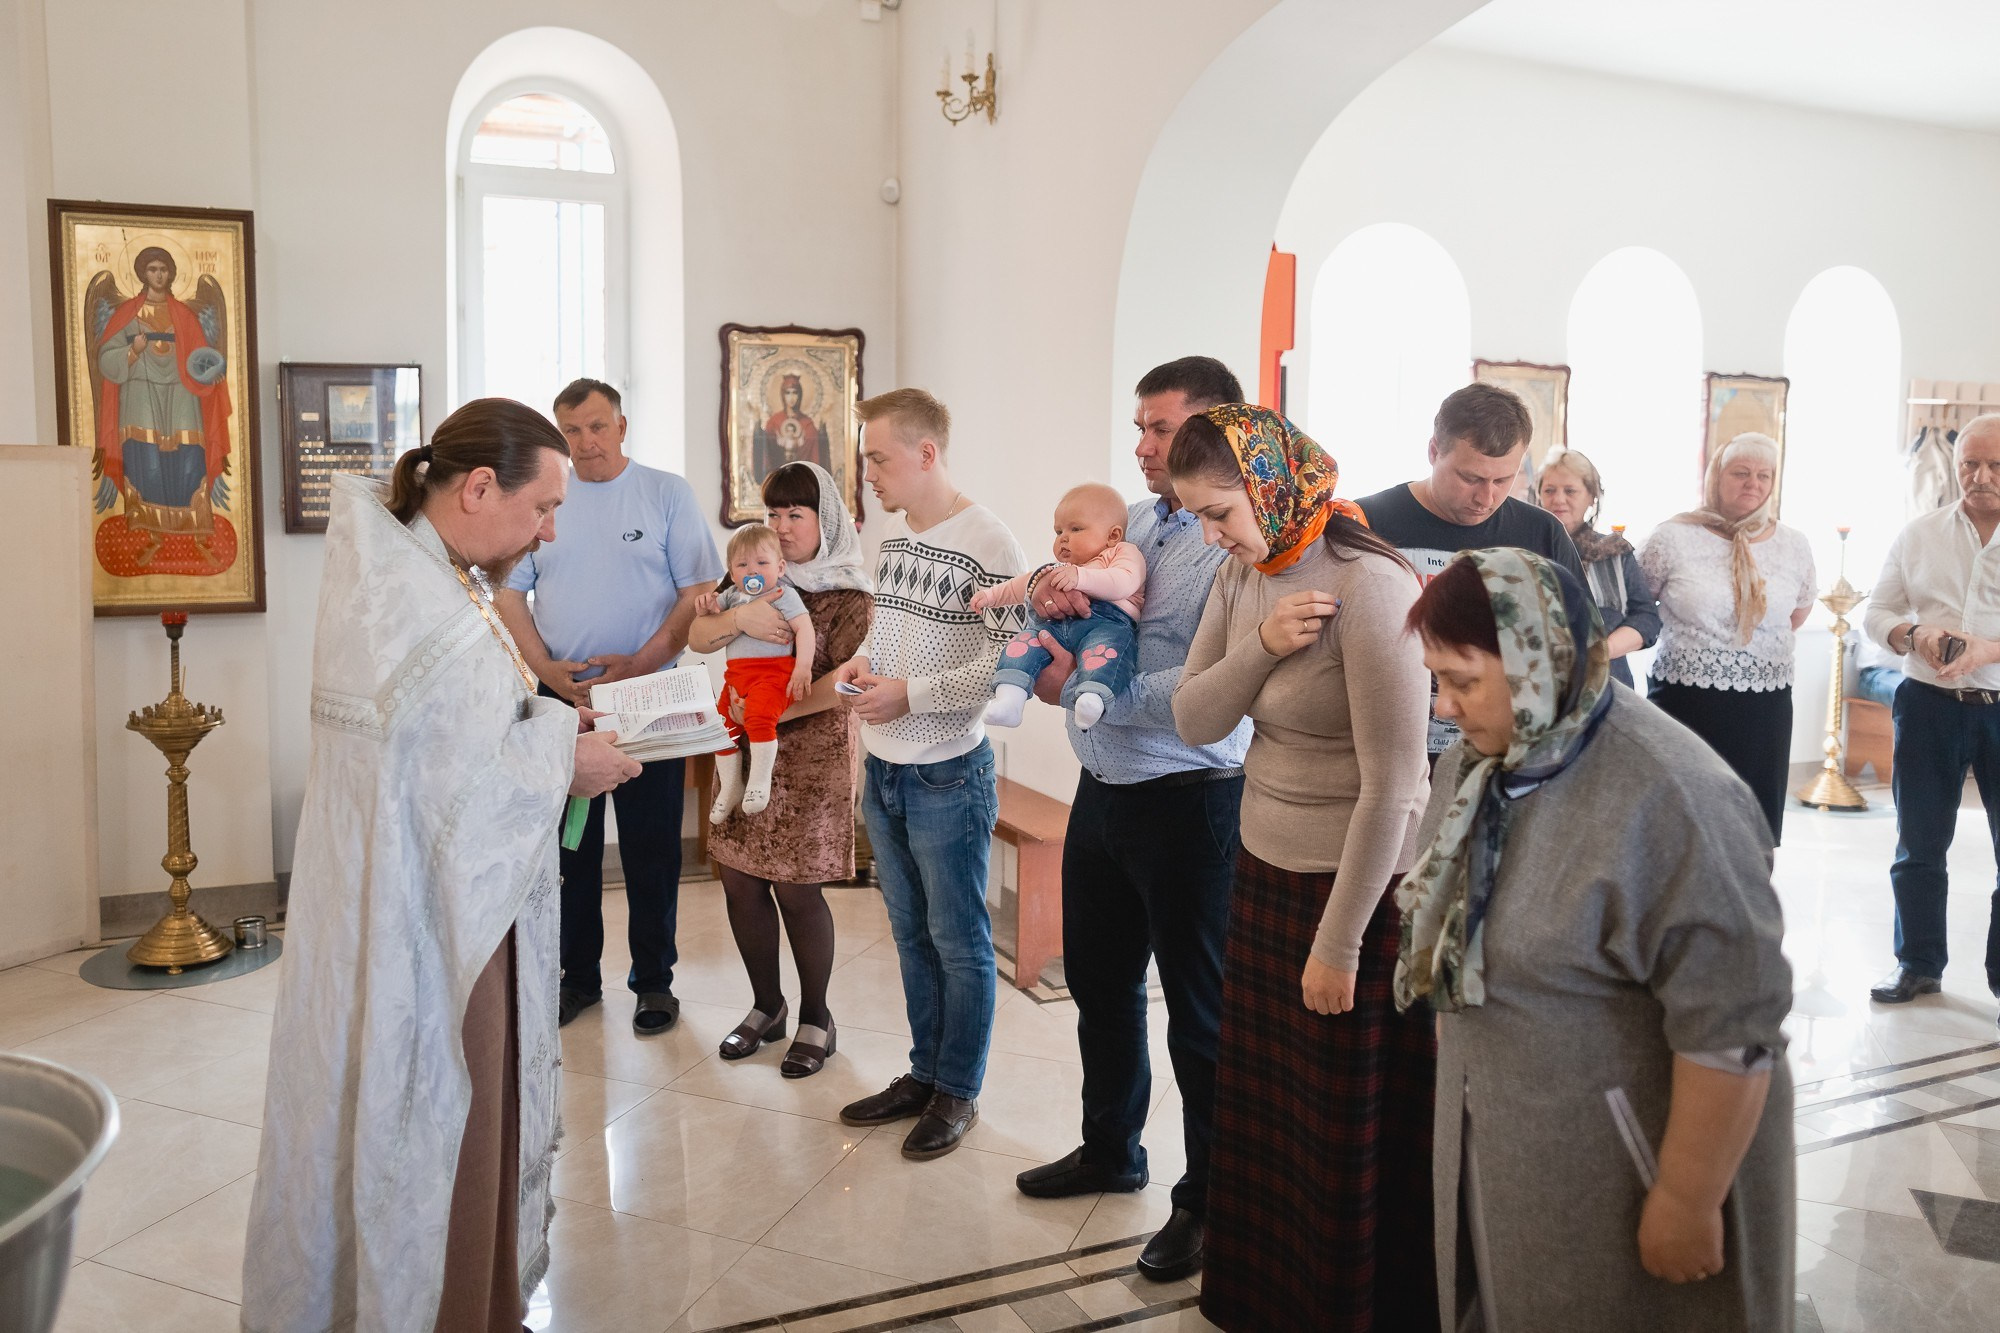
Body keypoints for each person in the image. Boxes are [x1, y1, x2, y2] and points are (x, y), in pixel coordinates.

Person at [243, 400, 643, 1333]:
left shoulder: (426, 577)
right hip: (432, 931)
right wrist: (565, 758)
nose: (547, 532)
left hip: (453, 908)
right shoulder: (418, 600)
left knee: (475, 1122)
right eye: (541, 507)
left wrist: (546, 728)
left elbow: (459, 745)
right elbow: (440, 788)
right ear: (476, 489)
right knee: (447, 1127)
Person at [1398, 549, 1794, 1332]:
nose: (1443, 706)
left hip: (1633, 1157)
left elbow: (1733, 1029)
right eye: (1434, 679)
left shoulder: (1673, 795)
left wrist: (1686, 1197)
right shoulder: (1480, 766)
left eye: (1464, 680)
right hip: (1513, 1131)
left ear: (1541, 659)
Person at [1170, 404, 1437, 1331]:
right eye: (1196, 515)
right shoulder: (1246, 573)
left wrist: (1339, 944)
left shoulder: (1373, 588)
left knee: (1335, 1131)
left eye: (1219, 512)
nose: (1209, 535)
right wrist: (1262, 642)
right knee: (1269, 1123)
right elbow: (1195, 718)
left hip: (1355, 893)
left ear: (1272, 487)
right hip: (1266, 868)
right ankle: (1264, 1298)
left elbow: (1398, 785)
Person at [1008, 357, 1251, 1283]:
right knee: (1101, 989)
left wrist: (1085, 689)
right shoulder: (1139, 524)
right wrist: (1045, 599)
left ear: (1216, 429)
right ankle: (1111, 1146)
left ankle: (1207, 1201)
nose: (1143, 446)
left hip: (1191, 801)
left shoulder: (1237, 544)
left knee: (1198, 1015)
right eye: (1141, 428)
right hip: (1105, 792)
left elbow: (1213, 688)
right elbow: (1068, 591)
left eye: (1160, 429)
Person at [832, 388, 1026, 1159]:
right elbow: (890, 630)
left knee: (957, 939)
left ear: (926, 453)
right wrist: (863, 663)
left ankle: (958, 1090)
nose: (869, 473)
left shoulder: (989, 541)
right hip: (886, 770)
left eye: (878, 458)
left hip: (947, 772)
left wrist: (909, 693)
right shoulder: (897, 541)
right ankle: (922, 1072)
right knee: (910, 935)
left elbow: (1012, 661)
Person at [495, 378, 722, 1033]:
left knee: (653, 847)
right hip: (564, 702)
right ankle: (577, 979)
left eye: (596, 426)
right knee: (570, 852)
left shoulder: (665, 493)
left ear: (622, 425)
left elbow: (697, 592)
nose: (585, 441)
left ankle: (654, 982)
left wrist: (640, 662)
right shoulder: (546, 500)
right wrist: (548, 673)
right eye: (571, 430)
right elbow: (511, 594)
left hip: (650, 699)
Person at [690, 461, 874, 1077]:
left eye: (795, 513)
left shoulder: (852, 595)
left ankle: (816, 1017)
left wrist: (769, 705)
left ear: (827, 520)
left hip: (815, 753)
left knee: (798, 889)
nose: (781, 527)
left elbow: (848, 684)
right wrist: (735, 619)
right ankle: (766, 1007)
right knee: (740, 881)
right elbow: (699, 631)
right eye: (773, 513)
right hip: (747, 744)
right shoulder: (754, 572)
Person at [1356, 383, 1585, 759]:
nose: (1486, 498)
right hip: (1383, 752)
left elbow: (1573, 648)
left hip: (1498, 756)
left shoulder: (1542, 533)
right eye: (1471, 478)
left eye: (1502, 480)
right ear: (1433, 451)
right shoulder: (1368, 520)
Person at [1862, 416, 2000, 1006]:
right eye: (1969, 463)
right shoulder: (1918, 534)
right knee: (1918, 845)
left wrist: (1987, 651)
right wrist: (1913, 635)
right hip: (1926, 705)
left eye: (1995, 465)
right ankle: (1917, 963)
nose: (1980, 477)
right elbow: (1877, 614)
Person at [1639, 433, 1816, 844]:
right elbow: (1640, 604)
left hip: (1764, 704)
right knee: (1684, 819)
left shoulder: (1794, 543)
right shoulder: (1672, 536)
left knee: (1751, 823)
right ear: (1716, 476)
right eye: (1740, 473)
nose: (1752, 483)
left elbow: (1798, 611)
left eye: (1763, 475)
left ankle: (1745, 903)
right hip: (1686, 700)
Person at [93, 246, 233, 568]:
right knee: (146, 460)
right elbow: (105, 359)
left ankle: (198, 536)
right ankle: (152, 536)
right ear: (143, 273)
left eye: (163, 269)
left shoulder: (183, 314)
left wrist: (214, 372)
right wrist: (132, 350)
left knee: (189, 458)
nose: (158, 274)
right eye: (152, 269)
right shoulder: (127, 313)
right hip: (140, 392)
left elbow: (201, 357)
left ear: (170, 273)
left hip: (181, 390)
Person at [972, 482, 1145, 731]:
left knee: (1105, 654)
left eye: (1076, 529)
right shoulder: (1061, 569)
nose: (1063, 538)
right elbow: (1024, 583)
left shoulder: (1122, 552)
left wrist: (1081, 578)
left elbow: (1124, 582)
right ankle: (1010, 698)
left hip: (1107, 623)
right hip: (1056, 626)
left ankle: (1092, 698)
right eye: (1058, 531)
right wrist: (991, 597)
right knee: (1022, 643)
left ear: (1113, 535)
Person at [702, 525, 817, 821]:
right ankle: (731, 786)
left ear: (779, 567)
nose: (752, 572)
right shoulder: (731, 596)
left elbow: (804, 627)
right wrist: (707, 608)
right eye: (742, 565)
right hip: (736, 677)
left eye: (762, 564)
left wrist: (803, 666)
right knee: (721, 728)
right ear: (731, 571)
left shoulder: (782, 593)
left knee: (759, 716)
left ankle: (758, 782)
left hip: (772, 674)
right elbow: (711, 623)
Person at [1535, 448, 1661, 687]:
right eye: (1549, 490)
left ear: (1591, 496)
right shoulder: (1523, 548)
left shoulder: (1613, 551)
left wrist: (1603, 650)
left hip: (1608, 682)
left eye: (1570, 491)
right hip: (1539, 683)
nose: (1558, 499)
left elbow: (1646, 617)